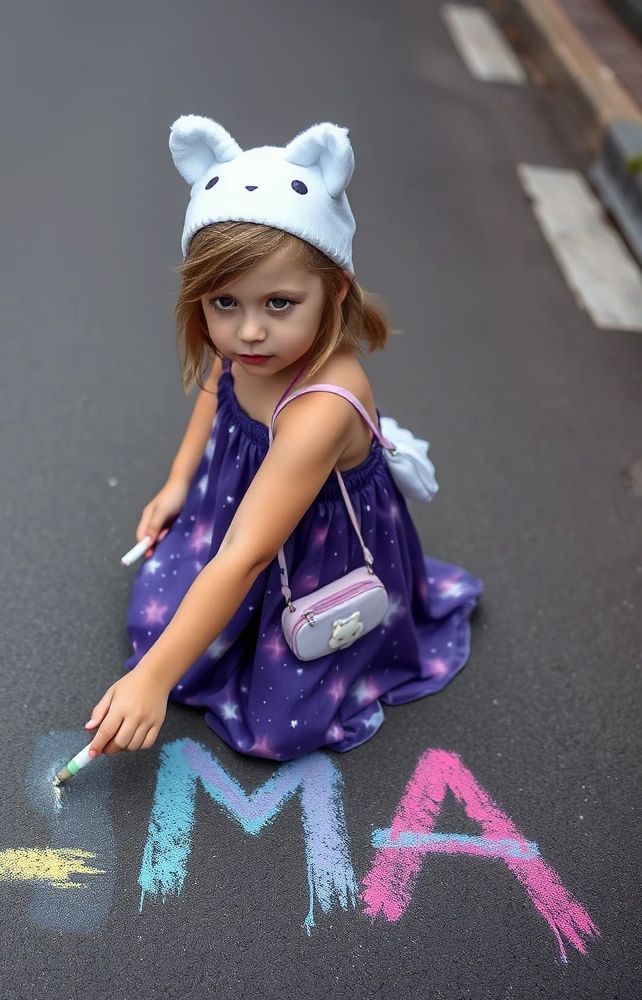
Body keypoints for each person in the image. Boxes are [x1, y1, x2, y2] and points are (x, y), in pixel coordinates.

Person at [85, 115, 481, 762]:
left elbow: (246, 551)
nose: (248, 334)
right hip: (241, 516)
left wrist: (151, 681)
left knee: (275, 727)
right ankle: (213, 630)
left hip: (316, 557)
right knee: (156, 623)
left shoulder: (320, 406)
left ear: (335, 289)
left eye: (279, 304)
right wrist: (179, 482)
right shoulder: (250, 352)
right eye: (224, 304)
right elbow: (218, 388)